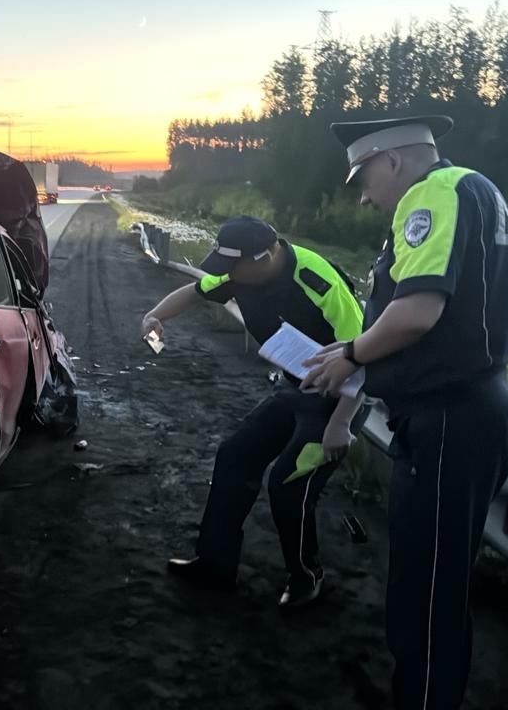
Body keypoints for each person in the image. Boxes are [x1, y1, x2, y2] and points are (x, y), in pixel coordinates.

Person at [302, 115, 508, 709]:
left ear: (393, 162)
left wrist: (351, 354)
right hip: (471, 407)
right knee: (432, 587)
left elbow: (417, 312)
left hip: (451, 418)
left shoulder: (433, 194)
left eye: (364, 178)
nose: (364, 194)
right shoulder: (477, 190)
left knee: (425, 597)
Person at [142, 214, 369, 607]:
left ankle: (305, 577)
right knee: (234, 457)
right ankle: (215, 564)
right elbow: (195, 291)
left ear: (265, 257)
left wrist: (342, 423)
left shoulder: (318, 282)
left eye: (233, 267)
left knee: (288, 481)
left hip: (338, 401)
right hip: (294, 387)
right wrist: (155, 316)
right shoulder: (237, 272)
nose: (226, 276)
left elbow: (365, 356)